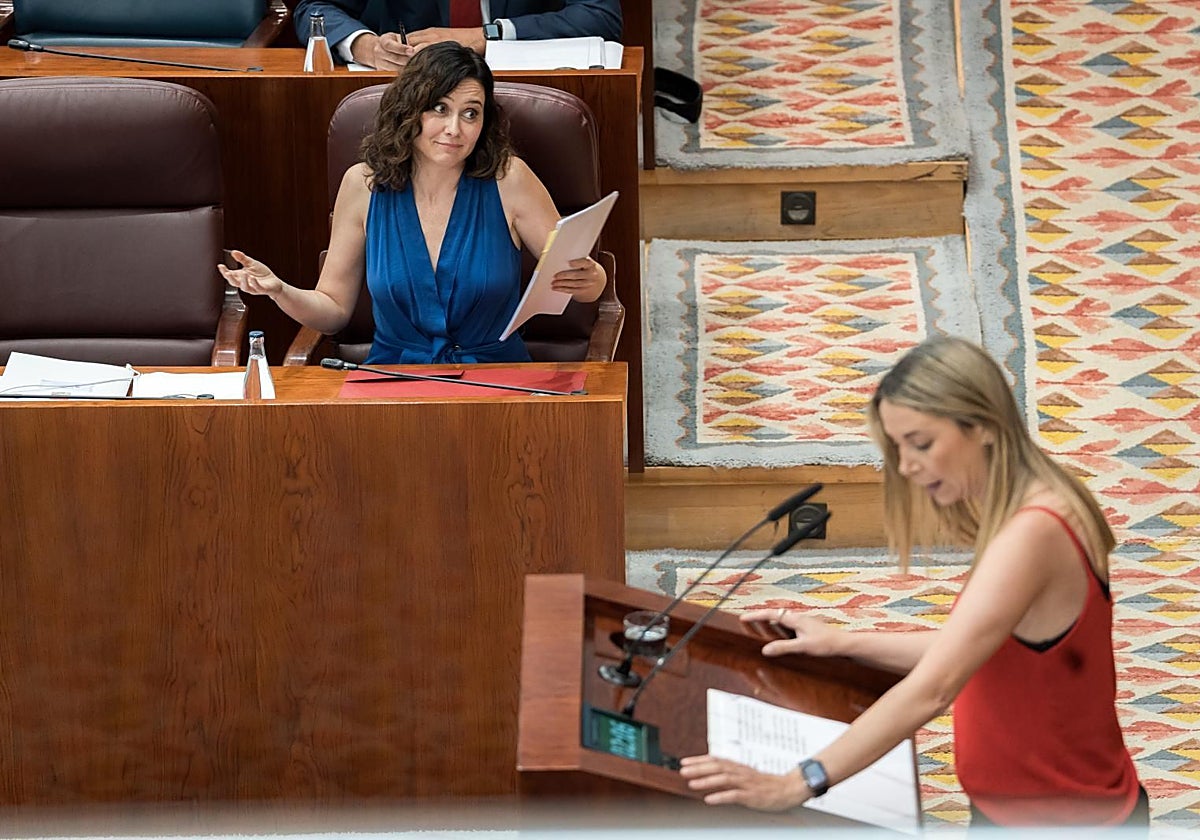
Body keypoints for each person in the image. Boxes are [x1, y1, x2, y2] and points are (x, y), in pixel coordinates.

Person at [680, 337, 1148, 830]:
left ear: (984, 426)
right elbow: (981, 649)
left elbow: (934, 688)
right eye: (898, 446)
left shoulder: (1032, 534)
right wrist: (846, 643)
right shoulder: (1039, 502)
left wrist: (794, 784)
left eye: (921, 443)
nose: (906, 466)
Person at [219, 42, 606, 365]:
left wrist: (592, 279)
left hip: (498, 379)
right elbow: (333, 309)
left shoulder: (510, 179)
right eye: (440, 108)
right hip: (394, 383)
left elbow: (578, 282)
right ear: (410, 110)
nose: (455, 129)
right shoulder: (363, 185)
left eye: (470, 113)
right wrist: (279, 289)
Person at [294, 0, 622, 71]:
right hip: (409, 89)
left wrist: (484, 36)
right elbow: (314, 8)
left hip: (520, 82)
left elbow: (599, 15)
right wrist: (367, 46)